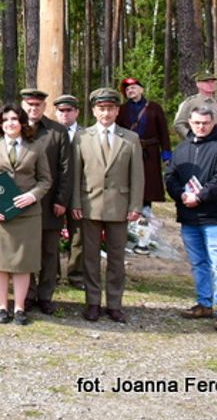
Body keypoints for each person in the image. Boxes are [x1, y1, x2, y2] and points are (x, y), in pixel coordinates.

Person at [71, 87, 144, 323]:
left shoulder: (130, 139)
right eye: (101, 109)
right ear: (93, 110)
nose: (106, 113)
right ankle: (92, 302)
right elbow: (75, 174)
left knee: (116, 258)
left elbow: (137, 176)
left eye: (110, 108)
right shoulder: (82, 137)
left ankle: (114, 304)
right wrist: (74, 202)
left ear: (117, 110)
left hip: (119, 206)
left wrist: (135, 205)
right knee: (90, 258)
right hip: (89, 204)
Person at [0, 104, 52, 325]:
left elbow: (45, 180)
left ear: (22, 123)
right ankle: (1, 306)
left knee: (22, 262)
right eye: (6, 119)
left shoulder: (35, 146)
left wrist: (33, 196)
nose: (10, 123)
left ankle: (19, 308)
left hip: (27, 214)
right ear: (0, 123)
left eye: (15, 119)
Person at [165, 106, 217, 332]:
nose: (201, 127)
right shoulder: (182, 148)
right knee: (198, 263)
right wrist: (182, 195)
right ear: (189, 122)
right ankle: (204, 303)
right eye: (196, 123)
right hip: (189, 216)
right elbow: (170, 176)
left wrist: (200, 197)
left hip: (214, 215)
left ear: (213, 123)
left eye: (205, 123)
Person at [19, 88, 73, 314]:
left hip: (49, 202)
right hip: (20, 202)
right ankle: (27, 294)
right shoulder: (14, 128)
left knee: (49, 251)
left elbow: (66, 169)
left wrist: (61, 200)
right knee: (25, 250)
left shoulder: (57, 132)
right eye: (29, 105)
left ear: (44, 107)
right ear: (23, 106)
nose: (33, 109)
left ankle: (45, 295)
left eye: (38, 105)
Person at [117, 77, 171, 218]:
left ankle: (145, 216)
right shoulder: (121, 110)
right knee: (128, 182)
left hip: (150, 153)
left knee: (147, 185)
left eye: (133, 87)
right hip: (128, 151)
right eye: (127, 89)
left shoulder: (154, 107)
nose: (130, 90)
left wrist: (166, 153)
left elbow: (163, 132)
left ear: (141, 89)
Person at [52, 93, 85, 288]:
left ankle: (76, 275)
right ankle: (52, 273)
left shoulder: (86, 134)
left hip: (79, 191)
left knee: (78, 236)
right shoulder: (49, 133)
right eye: (61, 110)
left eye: (69, 110)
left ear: (77, 112)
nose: (65, 114)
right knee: (51, 236)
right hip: (55, 192)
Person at [173, 72, 217, 140]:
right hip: (198, 143)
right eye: (206, 82)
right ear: (198, 84)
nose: (211, 84)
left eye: (213, 82)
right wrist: (191, 136)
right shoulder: (191, 102)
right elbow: (179, 124)